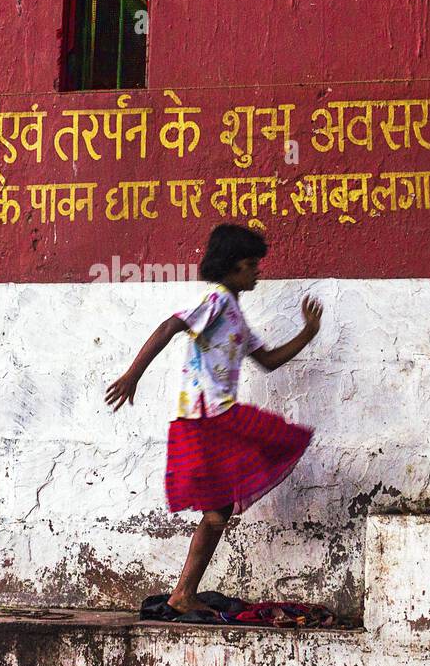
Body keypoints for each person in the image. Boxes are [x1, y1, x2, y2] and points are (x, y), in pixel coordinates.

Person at [105, 224, 322, 615]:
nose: (258, 271)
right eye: (251, 264)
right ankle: (183, 594)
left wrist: (307, 333)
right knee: (221, 505)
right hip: (207, 417)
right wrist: (132, 374)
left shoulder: (235, 312)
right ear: (233, 267)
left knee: (219, 510)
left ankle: (183, 593)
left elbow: (268, 360)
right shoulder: (218, 299)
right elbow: (172, 325)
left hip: (216, 417)